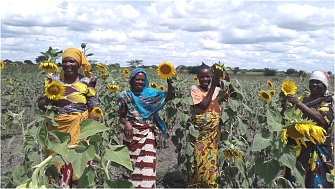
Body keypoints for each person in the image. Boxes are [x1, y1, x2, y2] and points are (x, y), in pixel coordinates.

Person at [37, 47, 99, 188]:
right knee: (56, 163)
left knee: (78, 163)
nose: (68, 65)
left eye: (72, 61)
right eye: (65, 61)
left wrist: (89, 131)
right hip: (56, 130)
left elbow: (93, 108)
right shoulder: (53, 80)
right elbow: (40, 104)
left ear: (78, 63)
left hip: (79, 130)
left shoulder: (87, 82)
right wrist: (48, 100)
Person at [116, 68, 175, 188]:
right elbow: (120, 116)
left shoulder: (152, 95)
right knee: (130, 165)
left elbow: (170, 96)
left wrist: (169, 81)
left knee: (147, 164)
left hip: (148, 133)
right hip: (131, 135)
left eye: (142, 80)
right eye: (137, 79)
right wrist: (126, 123)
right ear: (132, 80)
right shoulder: (125, 96)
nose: (140, 82)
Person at [282, 70, 334, 188]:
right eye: (312, 81)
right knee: (297, 174)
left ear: (325, 85)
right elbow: (288, 116)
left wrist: (299, 104)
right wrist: (284, 103)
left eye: (318, 82)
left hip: (317, 147)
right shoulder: (302, 98)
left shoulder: (327, 101)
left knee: (316, 177)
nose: (314, 84)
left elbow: (322, 120)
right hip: (298, 145)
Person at [188, 63, 236, 188]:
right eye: (202, 77)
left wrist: (228, 81)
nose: (205, 79)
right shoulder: (195, 90)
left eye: (208, 77)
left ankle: (210, 185)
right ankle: (199, 185)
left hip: (214, 136)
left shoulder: (216, 91)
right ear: (197, 77)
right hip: (200, 136)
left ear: (212, 76)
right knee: (199, 162)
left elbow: (234, 96)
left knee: (212, 162)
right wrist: (213, 86)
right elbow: (203, 106)